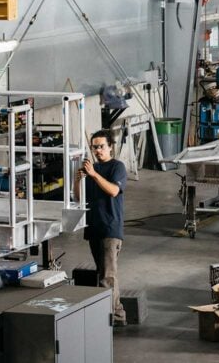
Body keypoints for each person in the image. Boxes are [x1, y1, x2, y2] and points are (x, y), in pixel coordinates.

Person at [74, 129, 128, 326]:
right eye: (94, 147)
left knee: (108, 277)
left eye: (101, 146)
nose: (97, 150)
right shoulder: (92, 170)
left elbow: (114, 190)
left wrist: (94, 174)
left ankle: (115, 318)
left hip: (110, 229)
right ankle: (114, 313)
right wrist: (78, 179)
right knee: (101, 273)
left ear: (110, 147)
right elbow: (80, 198)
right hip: (94, 228)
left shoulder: (117, 167)